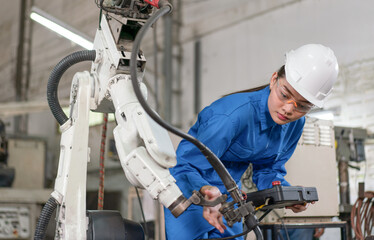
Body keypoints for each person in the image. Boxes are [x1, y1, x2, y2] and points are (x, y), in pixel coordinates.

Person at [164, 44, 339, 240]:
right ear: (274, 80)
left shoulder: (295, 124)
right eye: (285, 95)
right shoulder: (231, 116)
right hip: (190, 195)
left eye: (303, 106)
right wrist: (206, 190)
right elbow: (184, 165)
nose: (289, 109)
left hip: (230, 198)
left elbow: (268, 169)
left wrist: (284, 194)